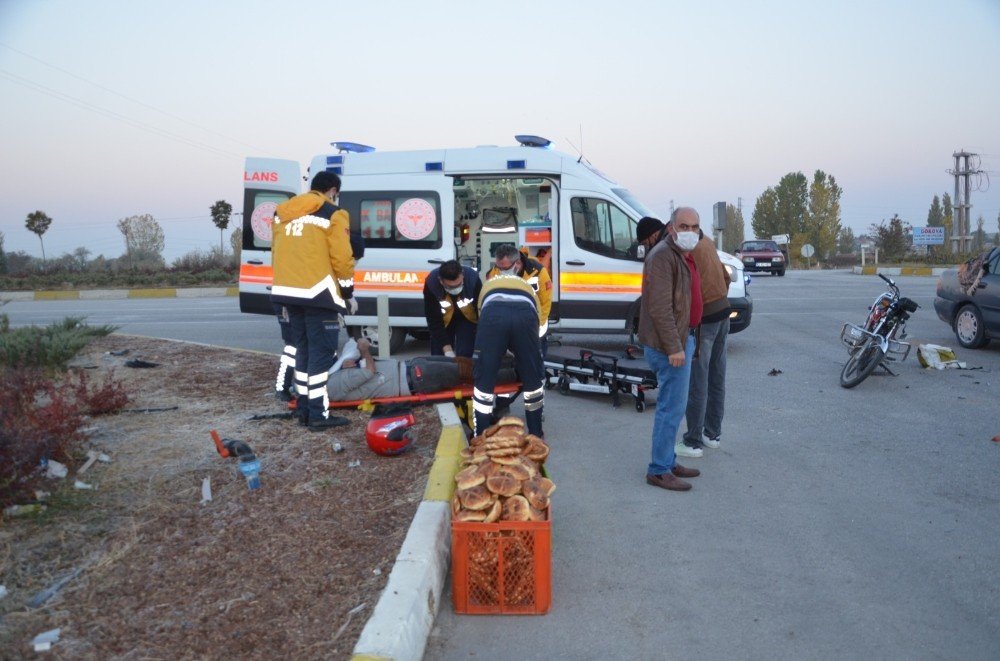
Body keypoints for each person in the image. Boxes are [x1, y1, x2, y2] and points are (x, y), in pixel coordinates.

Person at [271, 171, 357, 431]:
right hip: (318, 294)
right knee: (321, 355)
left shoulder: (283, 213)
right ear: (332, 190)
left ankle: (305, 409)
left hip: (288, 292)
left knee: (303, 352)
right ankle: (319, 415)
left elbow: (276, 252)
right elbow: (342, 259)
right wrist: (347, 292)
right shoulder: (333, 214)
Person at [637, 208, 704, 491]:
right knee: (670, 408)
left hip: (680, 340)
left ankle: (668, 459)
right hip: (669, 346)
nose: (690, 231)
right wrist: (675, 347)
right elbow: (660, 307)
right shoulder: (663, 256)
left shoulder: (677, 253)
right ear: (672, 227)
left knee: (675, 408)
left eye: (695, 226)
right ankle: (659, 469)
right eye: (684, 226)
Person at [472, 272, 546, 438]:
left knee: (485, 376)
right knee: (533, 379)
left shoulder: (487, 285)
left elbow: (481, 316)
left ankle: (481, 437)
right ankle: (536, 434)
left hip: (493, 313)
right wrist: (527, 351)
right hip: (525, 313)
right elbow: (538, 319)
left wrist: (498, 348)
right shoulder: (527, 286)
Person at [327, 338, 518, 401]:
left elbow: (361, 375)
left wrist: (349, 363)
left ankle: (510, 364)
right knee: (467, 374)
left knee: (462, 363)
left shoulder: (332, 380)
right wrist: (364, 350)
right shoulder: (332, 385)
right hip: (414, 378)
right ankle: (516, 373)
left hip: (411, 369)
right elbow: (368, 372)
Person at [681, 229, 732, 456]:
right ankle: (713, 435)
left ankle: (692, 441)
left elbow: (684, 289)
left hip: (705, 320)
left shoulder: (687, 250)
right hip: (723, 313)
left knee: (698, 381)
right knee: (717, 376)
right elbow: (726, 276)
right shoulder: (708, 242)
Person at [486, 244, 552, 356]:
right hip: (506, 320)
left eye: (505, 268)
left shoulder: (538, 272)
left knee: (535, 356)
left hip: (534, 320)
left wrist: (536, 325)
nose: (501, 271)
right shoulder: (494, 272)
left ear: (517, 263)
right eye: (499, 267)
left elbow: (545, 302)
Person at [423, 259, 482, 358]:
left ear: (462, 275)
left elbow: (480, 310)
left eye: (458, 285)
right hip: (443, 318)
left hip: (467, 318)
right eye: (450, 286)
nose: (455, 289)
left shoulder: (473, 279)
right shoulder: (431, 284)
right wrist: (447, 349)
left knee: (465, 353)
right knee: (439, 355)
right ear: (441, 281)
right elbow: (433, 319)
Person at [272, 302, 296, 401]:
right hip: (286, 304)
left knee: (295, 346)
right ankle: (282, 387)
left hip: (293, 303)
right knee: (292, 347)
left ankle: (283, 387)